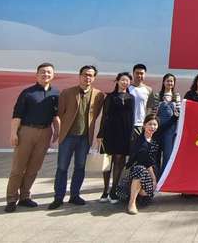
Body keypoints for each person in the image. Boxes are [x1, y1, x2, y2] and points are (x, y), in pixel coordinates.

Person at [5, 63, 59, 213]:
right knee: (18, 168)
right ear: (37, 75)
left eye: (49, 72)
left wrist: (57, 131)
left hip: (45, 132)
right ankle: (11, 199)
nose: (46, 74)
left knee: (34, 168)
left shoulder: (56, 93)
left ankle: (25, 196)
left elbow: (56, 115)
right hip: (26, 131)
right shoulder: (27, 93)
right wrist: (13, 133)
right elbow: (17, 115)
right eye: (43, 72)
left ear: (53, 75)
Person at [49, 65, 105, 209]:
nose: (87, 77)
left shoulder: (99, 95)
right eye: (85, 74)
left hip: (84, 138)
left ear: (94, 78)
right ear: (80, 76)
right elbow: (60, 113)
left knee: (80, 167)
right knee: (62, 167)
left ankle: (75, 195)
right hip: (68, 136)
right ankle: (58, 197)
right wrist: (58, 131)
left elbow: (96, 114)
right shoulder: (67, 92)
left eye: (90, 75)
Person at [117, 113, 177, 214]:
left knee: (144, 190)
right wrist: (153, 179)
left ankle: (138, 195)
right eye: (150, 124)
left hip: (149, 179)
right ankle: (131, 203)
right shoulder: (138, 140)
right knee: (140, 169)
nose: (152, 127)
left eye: (155, 125)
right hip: (136, 173)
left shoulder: (156, 137)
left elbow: (166, 126)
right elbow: (143, 159)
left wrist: (175, 116)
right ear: (144, 125)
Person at [97, 72, 135, 203]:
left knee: (119, 162)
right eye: (123, 80)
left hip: (124, 133)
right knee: (107, 162)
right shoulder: (110, 97)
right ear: (117, 81)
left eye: (127, 80)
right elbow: (105, 116)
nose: (125, 82)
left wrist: (131, 135)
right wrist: (100, 133)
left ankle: (114, 191)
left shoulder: (131, 98)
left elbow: (132, 117)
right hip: (109, 132)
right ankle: (105, 191)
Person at [157, 73, 179, 172]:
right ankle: (155, 178)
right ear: (163, 82)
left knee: (168, 156)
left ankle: (163, 179)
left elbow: (179, 112)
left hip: (171, 130)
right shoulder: (157, 95)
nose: (170, 83)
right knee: (156, 156)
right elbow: (153, 113)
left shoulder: (177, 96)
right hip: (158, 129)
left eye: (171, 81)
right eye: (168, 81)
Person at [129, 64, 153, 145]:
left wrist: (146, 124)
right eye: (137, 73)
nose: (139, 75)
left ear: (145, 74)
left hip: (141, 125)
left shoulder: (149, 90)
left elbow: (149, 108)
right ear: (133, 74)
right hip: (128, 124)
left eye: (141, 73)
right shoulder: (127, 88)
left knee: (139, 148)